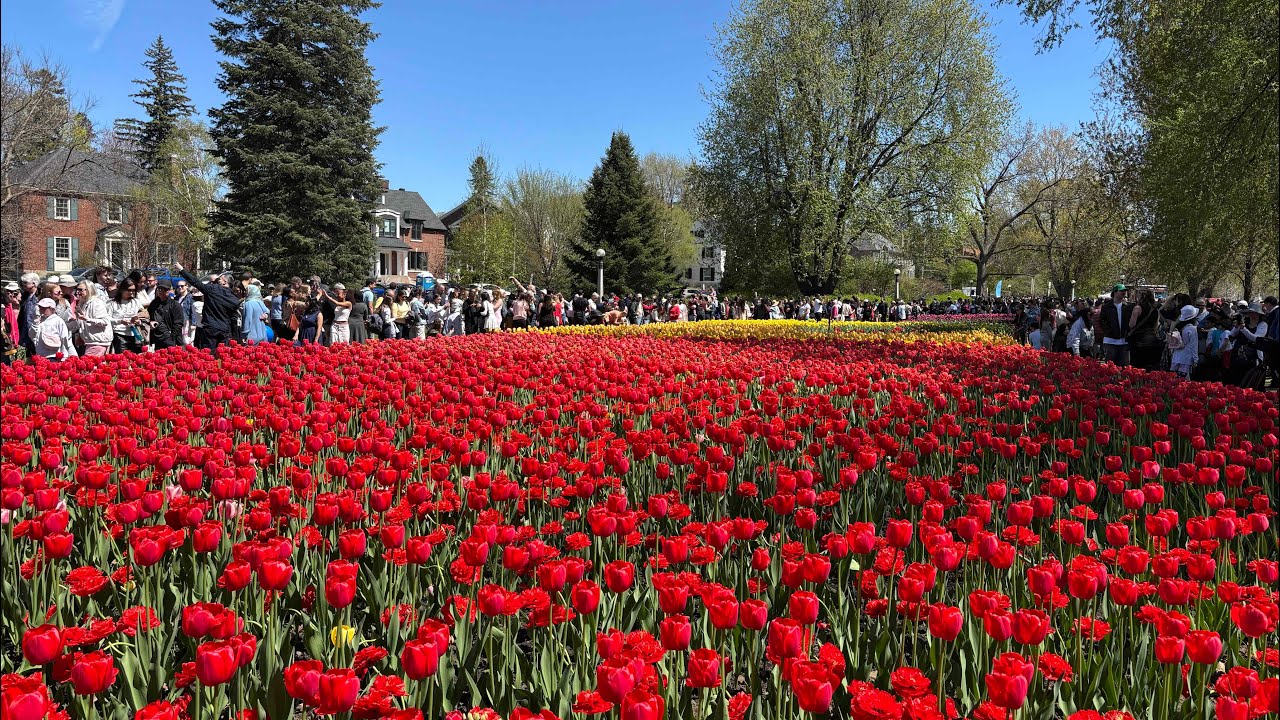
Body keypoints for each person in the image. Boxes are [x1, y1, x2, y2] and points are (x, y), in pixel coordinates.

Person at [175, 264, 240, 351]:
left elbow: (196, 282)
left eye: (219, 279)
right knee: (222, 356)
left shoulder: (212, 289)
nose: (217, 281)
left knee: (208, 356)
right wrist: (235, 338)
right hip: (225, 330)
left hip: (211, 329)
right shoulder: (234, 299)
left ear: (224, 281)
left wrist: (182, 270)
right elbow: (234, 319)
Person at [108, 279, 147, 353]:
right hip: (119, 334)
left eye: (133, 290)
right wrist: (120, 321)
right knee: (122, 359)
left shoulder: (135, 302)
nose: (131, 292)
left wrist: (138, 321)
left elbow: (144, 315)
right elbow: (107, 319)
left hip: (135, 335)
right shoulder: (112, 303)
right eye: (129, 290)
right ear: (122, 290)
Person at [74, 281, 112, 357]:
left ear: (89, 290)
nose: (78, 292)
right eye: (77, 289)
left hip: (98, 342)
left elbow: (104, 322)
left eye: (80, 290)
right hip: (90, 341)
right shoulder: (83, 303)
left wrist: (87, 319)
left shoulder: (96, 303)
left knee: (88, 366)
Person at [1098, 284, 1133, 366]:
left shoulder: (1128, 306)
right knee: (1111, 367)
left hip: (1124, 341)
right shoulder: (1106, 307)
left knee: (1125, 367)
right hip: (1110, 341)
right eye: (1121, 290)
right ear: (1115, 292)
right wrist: (1109, 331)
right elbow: (1102, 321)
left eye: (1125, 290)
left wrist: (1128, 332)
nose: (1124, 292)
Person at [1127, 289, 1161, 370]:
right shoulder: (1155, 309)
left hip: (1138, 340)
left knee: (1137, 365)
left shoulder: (1137, 308)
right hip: (1152, 339)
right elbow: (1156, 325)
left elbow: (1132, 325)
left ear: (1142, 296)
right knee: (1149, 365)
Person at [1168, 305, 1199, 378]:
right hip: (1186, 358)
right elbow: (1194, 345)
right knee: (1184, 383)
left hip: (1176, 357)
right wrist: (1195, 359)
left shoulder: (1178, 327)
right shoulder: (1192, 329)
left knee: (1174, 380)